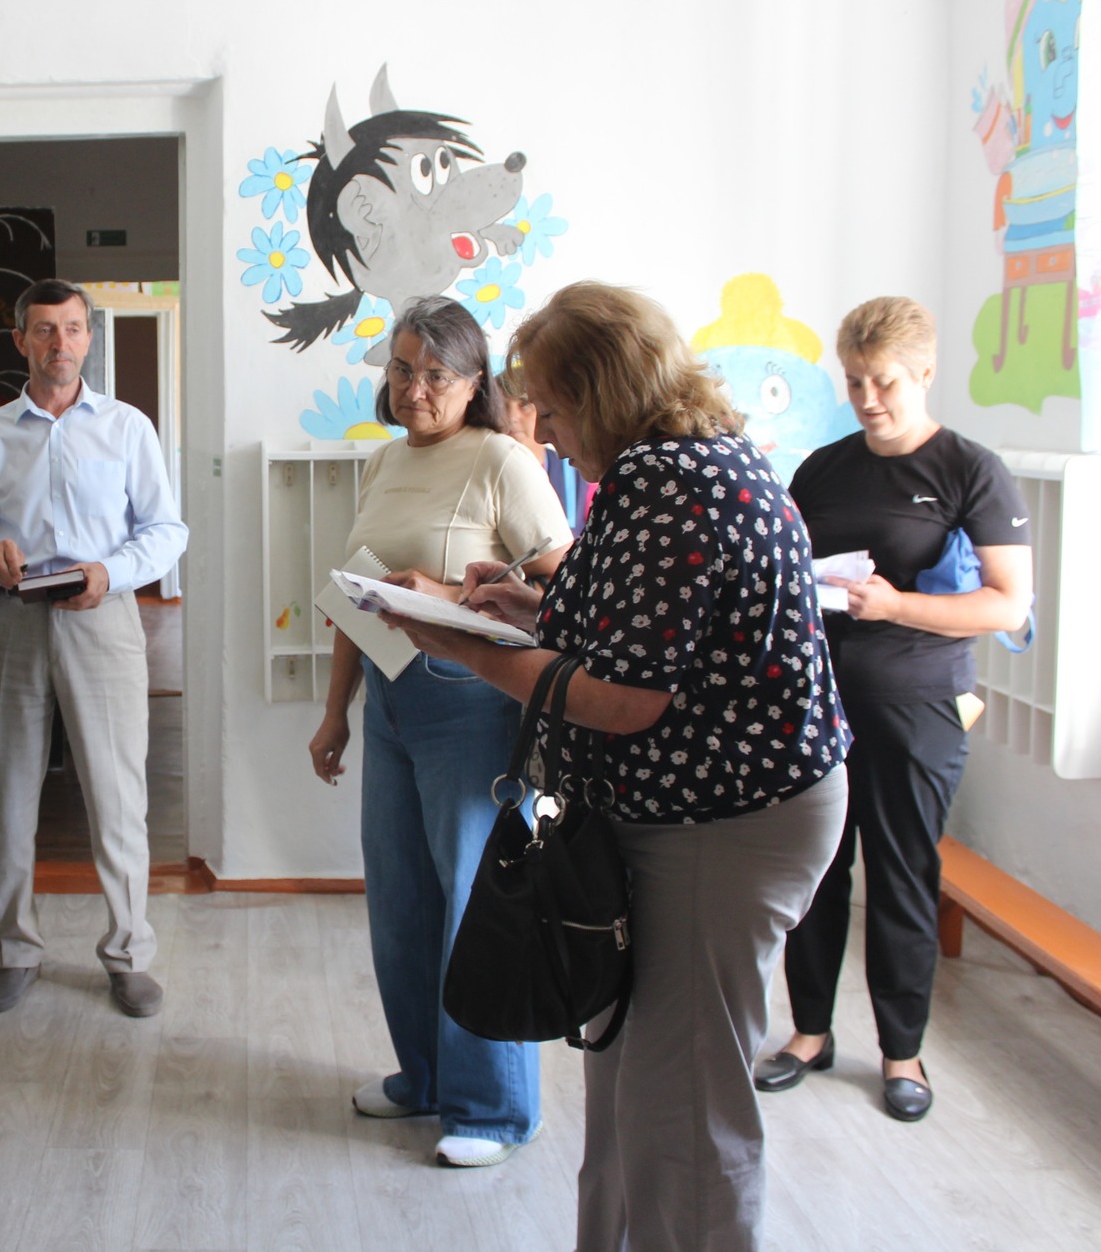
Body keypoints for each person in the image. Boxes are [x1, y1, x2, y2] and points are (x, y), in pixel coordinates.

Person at [384, 282, 851, 1250]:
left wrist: (464, 647)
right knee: (631, 1079)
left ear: (599, 394)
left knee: (685, 1103)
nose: (546, 433)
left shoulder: (668, 480)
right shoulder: (683, 460)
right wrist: (521, 608)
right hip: (692, 810)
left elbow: (625, 696)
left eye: (552, 408)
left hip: (723, 820)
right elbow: (636, 623)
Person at [304, 297, 571, 1169]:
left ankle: (495, 1107)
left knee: (473, 902)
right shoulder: (384, 461)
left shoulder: (502, 459)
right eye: (402, 369)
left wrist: (453, 595)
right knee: (401, 902)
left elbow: (564, 583)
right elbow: (360, 595)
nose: (414, 388)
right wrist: (335, 712)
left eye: (436, 374)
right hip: (389, 701)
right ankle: (422, 1075)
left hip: (471, 701)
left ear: (474, 382)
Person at [761, 297, 1033, 1122]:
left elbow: (1008, 604)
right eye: (853, 381)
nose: (867, 398)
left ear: (925, 372)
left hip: (918, 705)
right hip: (819, 704)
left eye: (883, 381)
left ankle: (901, 1051)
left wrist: (898, 607)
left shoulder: (970, 470)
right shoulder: (824, 468)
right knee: (814, 872)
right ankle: (809, 1032)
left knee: (903, 876)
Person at [0, 278, 188, 1018]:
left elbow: (166, 531)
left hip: (102, 618)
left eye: (73, 328)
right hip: (10, 621)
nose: (60, 342)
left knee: (117, 794)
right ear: (21, 340)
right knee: (11, 791)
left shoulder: (127, 427)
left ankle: (129, 954)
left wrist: (110, 573)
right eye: (44, 329)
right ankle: (15, 950)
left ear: (88, 337)